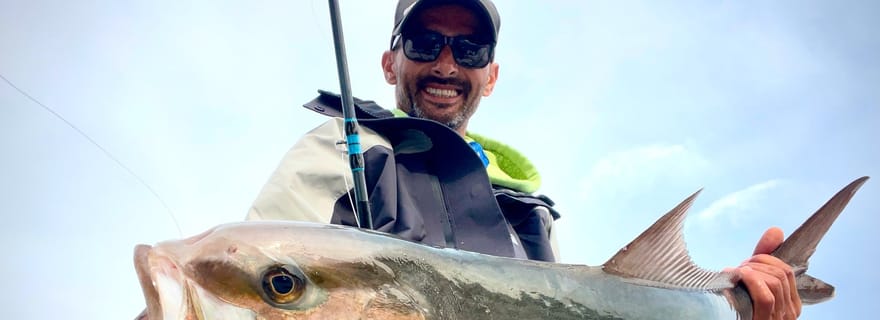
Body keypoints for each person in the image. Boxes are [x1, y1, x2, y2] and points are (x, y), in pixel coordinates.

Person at [247, 0, 801, 318]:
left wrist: (727, 302)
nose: (445, 64)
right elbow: (257, 289)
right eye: (423, 42)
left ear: (491, 74)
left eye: (469, 51)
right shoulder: (342, 149)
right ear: (390, 63)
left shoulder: (529, 216)